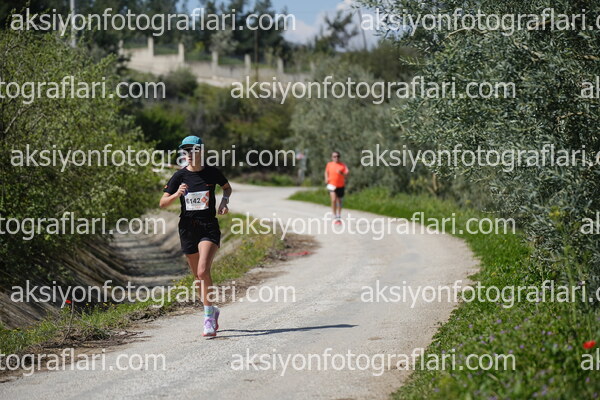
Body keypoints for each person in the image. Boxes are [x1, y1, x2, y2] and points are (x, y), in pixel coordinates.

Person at [159, 136, 232, 338]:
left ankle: (208, 319)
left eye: (192, 150)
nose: (188, 154)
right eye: (185, 151)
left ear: (201, 150)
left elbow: (227, 187)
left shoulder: (212, 172)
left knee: (202, 271)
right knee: (198, 279)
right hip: (187, 229)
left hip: (208, 227)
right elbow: (162, 203)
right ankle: (212, 309)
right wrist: (176, 194)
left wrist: (224, 201)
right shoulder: (179, 176)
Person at [324, 151, 349, 225]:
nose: (336, 158)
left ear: (339, 157)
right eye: (334, 156)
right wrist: (326, 178)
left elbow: (347, 175)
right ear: (332, 157)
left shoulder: (343, 165)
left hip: (340, 186)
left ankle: (338, 216)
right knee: (333, 200)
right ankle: (334, 216)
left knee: (339, 201)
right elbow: (326, 172)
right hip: (332, 185)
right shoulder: (329, 164)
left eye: (338, 156)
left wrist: (341, 173)